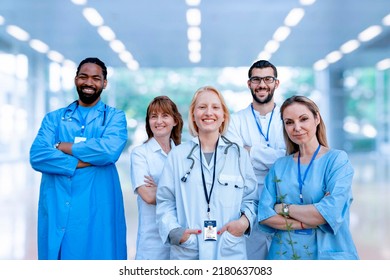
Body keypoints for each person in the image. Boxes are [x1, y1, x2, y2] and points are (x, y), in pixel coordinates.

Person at [29, 57, 128, 260]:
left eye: (95, 78)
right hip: (59, 201)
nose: (89, 83)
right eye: (83, 77)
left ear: (104, 83)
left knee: (100, 254)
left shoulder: (115, 117)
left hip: (98, 204)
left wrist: (64, 147)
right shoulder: (53, 118)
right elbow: (38, 155)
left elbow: (109, 151)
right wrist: (82, 161)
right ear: (76, 80)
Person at [156, 86, 258, 260]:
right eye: (202, 107)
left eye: (215, 107)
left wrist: (243, 223)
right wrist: (176, 232)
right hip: (188, 249)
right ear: (194, 115)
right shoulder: (178, 155)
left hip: (228, 248)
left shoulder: (239, 154)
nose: (209, 112)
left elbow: (251, 199)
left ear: (224, 115)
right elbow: (165, 200)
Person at [258, 95, 359, 260]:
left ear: (317, 118)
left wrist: (284, 209)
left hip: (328, 256)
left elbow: (329, 213)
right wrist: (308, 220)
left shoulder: (337, 160)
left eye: (303, 119)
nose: (297, 127)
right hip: (284, 256)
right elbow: (265, 216)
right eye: (289, 122)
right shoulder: (280, 166)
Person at [225, 60, 286, 259]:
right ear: (249, 83)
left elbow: (290, 158)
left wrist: (250, 151)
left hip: (284, 200)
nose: (262, 84)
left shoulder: (287, 117)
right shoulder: (235, 120)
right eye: (256, 79)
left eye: (268, 79)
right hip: (247, 203)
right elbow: (235, 157)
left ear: (276, 83)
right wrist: (275, 156)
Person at [130, 95, 183, 260]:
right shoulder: (140, 154)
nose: (159, 121)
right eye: (154, 116)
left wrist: (159, 188)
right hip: (152, 243)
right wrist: (182, 191)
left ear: (175, 121)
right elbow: (148, 196)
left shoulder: (183, 154)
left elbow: (196, 193)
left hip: (181, 238)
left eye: (165, 115)